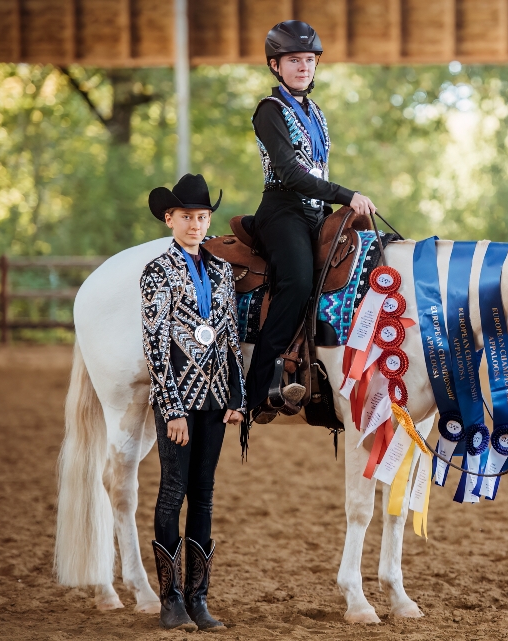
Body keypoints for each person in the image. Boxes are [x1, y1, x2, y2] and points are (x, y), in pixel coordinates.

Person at [245, 19, 377, 422]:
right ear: (275, 65)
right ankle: (259, 384)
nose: (304, 67)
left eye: (309, 59)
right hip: (283, 209)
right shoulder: (269, 111)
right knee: (298, 280)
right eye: (293, 60)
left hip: (315, 212)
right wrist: (346, 195)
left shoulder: (315, 111)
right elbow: (290, 173)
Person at [140, 173, 245, 631]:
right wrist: (172, 408)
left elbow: (230, 338)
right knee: (172, 493)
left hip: (217, 400)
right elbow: (156, 342)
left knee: (203, 497)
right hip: (179, 402)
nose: (196, 225)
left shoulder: (222, 271)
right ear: (170, 219)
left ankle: (199, 599)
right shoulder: (156, 273)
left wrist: (236, 395)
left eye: (202, 217)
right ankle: (171, 600)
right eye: (187, 217)